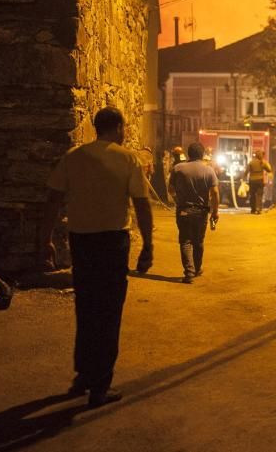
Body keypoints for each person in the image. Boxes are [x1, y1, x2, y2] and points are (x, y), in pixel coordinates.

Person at [37, 106, 153, 409]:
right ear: (118, 127)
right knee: (109, 312)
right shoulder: (128, 158)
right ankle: (100, 385)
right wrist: (148, 245)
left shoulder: (73, 157)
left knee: (86, 308)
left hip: (82, 243)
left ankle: (84, 375)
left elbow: (52, 199)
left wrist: (45, 239)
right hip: (113, 243)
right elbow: (142, 204)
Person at [168, 142, 219, 283]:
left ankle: (188, 272)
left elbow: (170, 190)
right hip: (201, 212)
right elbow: (214, 193)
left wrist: (177, 200)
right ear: (202, 154)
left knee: (185, 241)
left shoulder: (178, 168)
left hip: (183, 210)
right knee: (199, 241)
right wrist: (215, 212)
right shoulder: (209, 170)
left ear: (188, 154)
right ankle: (197, 268)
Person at [247, 150, 270, 214]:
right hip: (260, 181)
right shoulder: (263, 162)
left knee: (252, 195)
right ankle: (259, 209)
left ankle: (253, 209)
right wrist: (265, 163)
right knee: (259, 195)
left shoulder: (251, 162)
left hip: (252, 181)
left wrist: (243, 179)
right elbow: (269, 170)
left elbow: (246, 171)